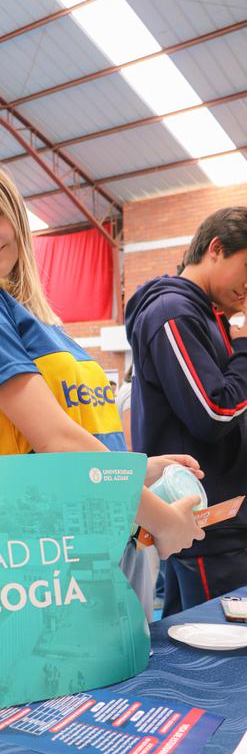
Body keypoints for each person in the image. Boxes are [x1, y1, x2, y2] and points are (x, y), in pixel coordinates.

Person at [0, 158, 205, 565]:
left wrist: (135, 471)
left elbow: (74, 431)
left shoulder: (41, 322)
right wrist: (162, 519)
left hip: (102, 528)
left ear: (14, 216)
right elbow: (53, 439)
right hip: (51, 545)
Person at [125, 207, 247, 615]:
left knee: (194, 640)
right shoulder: (172, 312)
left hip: (217, 523)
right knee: (222, 644)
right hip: (208, 525)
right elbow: (213, 412)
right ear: (216, 248)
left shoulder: (210, 317)